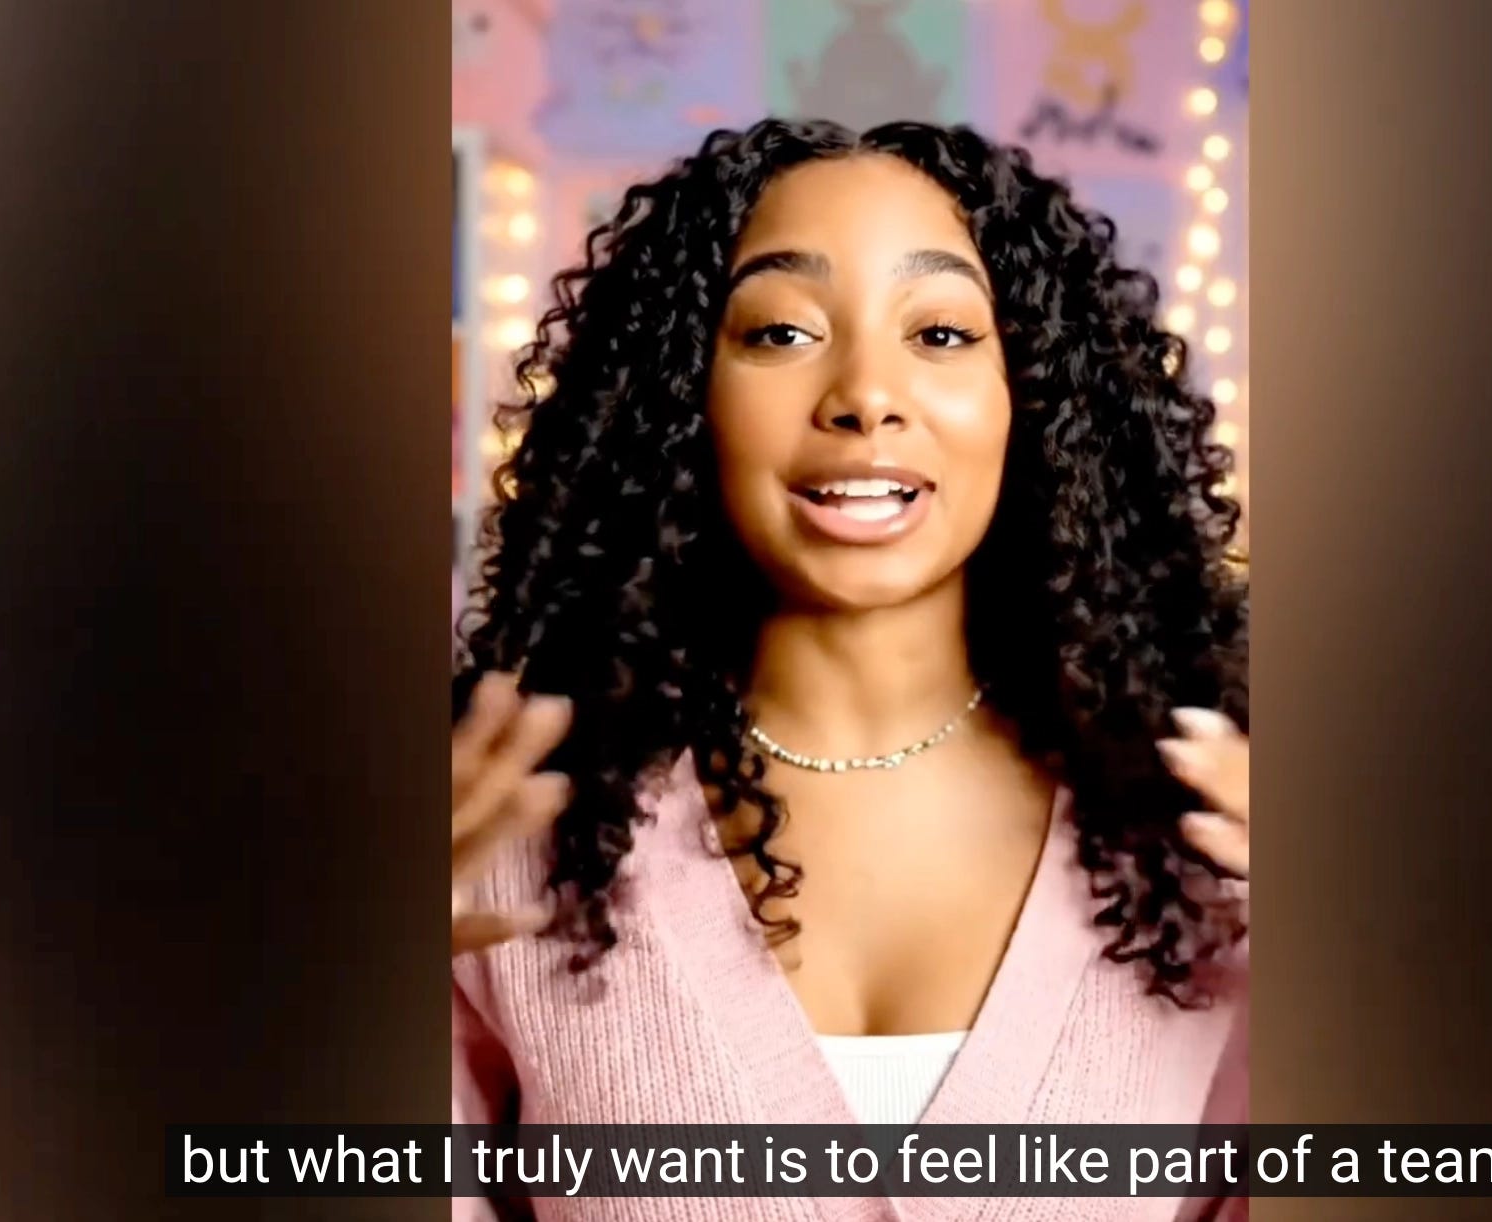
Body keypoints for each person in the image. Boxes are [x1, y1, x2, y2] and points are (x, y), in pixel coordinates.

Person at [448, 118, 1252, 1220]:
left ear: (1035, 396)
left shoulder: (1203, 849)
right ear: (682, 397)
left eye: (942, 332)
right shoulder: (509, 837)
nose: (865, 394)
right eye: (781, 332)